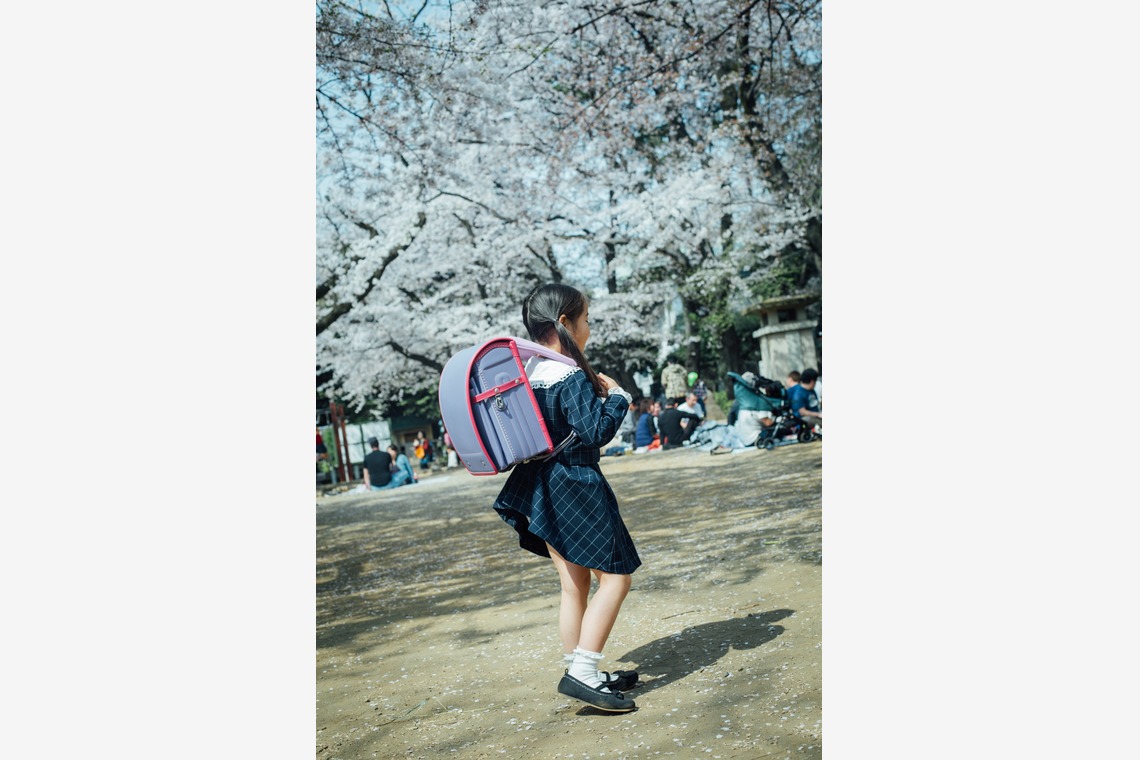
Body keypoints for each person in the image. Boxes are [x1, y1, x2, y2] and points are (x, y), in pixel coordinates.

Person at [492, 282, 640, 713]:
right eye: (586, 319)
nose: (588, 327)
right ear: (564, 322)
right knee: (616, 579)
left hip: (539, 486)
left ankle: (577, 666)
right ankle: (584, 673)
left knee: (573, 584)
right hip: (576, 485)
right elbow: (595, 432)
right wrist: (619, 398)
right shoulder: (569, 374)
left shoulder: (527, 374)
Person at [787, 368, 823, 432]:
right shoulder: (799, 393)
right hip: (805, 418)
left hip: (815, 415)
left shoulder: (811, 390)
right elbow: (802, 412)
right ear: (812, 381)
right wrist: (818, 414)